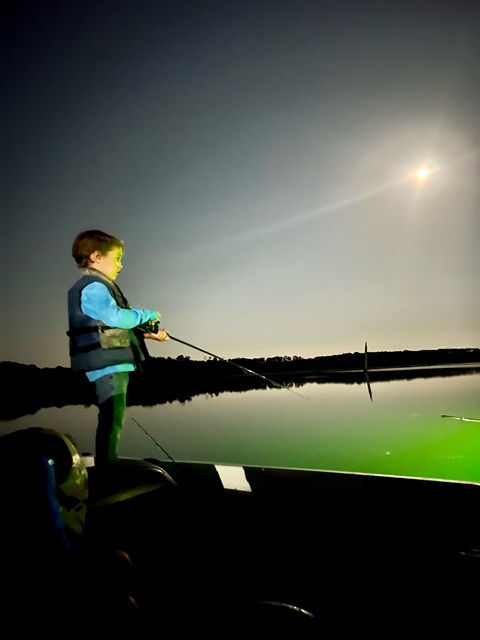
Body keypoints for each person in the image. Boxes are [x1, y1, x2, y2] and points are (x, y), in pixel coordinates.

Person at [68, 229, 169, 466]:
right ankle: (107, 470)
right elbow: (115, 318)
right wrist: (148, 313)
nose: (121, 265)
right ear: (96, 256)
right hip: (107, 364)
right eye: (117, 258)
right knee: (112, 418)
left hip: (110, 361)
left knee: (113, 416)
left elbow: (110, 325)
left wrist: (150, 335)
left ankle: (107, 465)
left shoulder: (97, 287)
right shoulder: (93, 287)